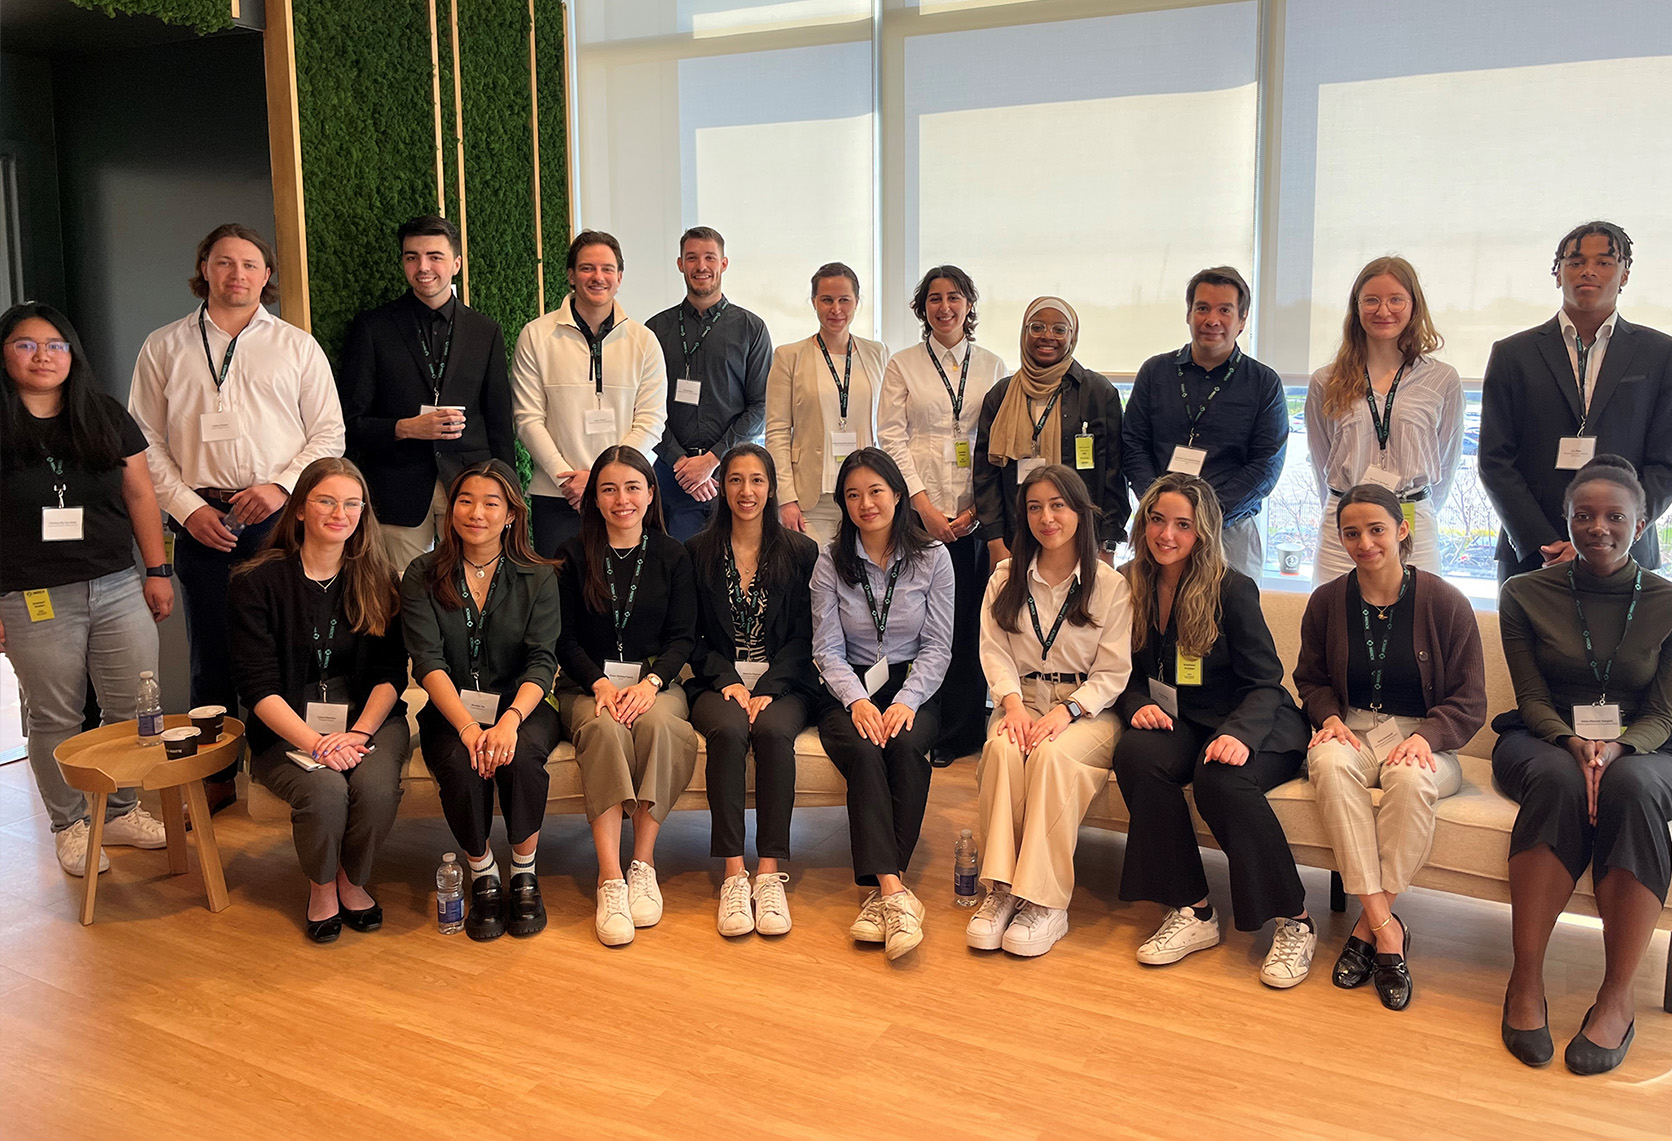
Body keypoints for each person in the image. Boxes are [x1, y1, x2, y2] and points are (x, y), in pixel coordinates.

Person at [128, 222, 346, 813]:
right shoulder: (164, 346)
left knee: (288, 642)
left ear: (267, 275)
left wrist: (280, 488)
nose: (238, 275)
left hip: (279, 519)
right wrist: (188, 508)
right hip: (202, 519)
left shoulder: (297, 346)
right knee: (213, 650)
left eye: (250, 265)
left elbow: (329, 433)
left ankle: (288, 762)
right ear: (205, 270)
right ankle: (217, 777)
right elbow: (142, 440)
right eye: (225, 263)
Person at [1494, 455, 1672, 1075]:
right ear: (1567, 520)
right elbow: (1532, 698)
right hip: (1545, 737)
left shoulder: (1668, 601)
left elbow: (1666, 712)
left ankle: (1617, 996)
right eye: (1584, 515)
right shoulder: (1523, 593)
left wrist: (1618, 746)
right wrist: (1573, 742)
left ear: (1643, 522)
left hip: (1645, 744)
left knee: (1636, 786)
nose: (1598, 526)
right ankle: (1525, 980)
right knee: (1558, 778)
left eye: (1615, 515)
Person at [1112, 472, 1315, 987]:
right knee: (1137, 754)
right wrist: (1136, 704)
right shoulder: (1129, 581)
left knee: (1219, 778)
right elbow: (1124, 672)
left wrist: (1240, 735)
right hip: (1182, 719)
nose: (1166, 535)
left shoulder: (1232, 588)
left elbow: (1267, 681)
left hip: (1253, 722)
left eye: (1183, 524)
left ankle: (1295, 920)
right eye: (1157, 520)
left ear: (1202, 532)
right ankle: (1193, 909)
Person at [1294, 484, 1487, 1009]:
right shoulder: (1328, 600)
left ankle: (1368, 927)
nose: (1365, 543)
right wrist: (1329, 718)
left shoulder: (1445, 602)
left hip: (1427, 736)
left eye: (1377, 529)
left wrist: (1426, 736)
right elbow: (1309, 679)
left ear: (1403, 530)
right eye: (1351, 533)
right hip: (1352, 728)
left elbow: (1470, 702)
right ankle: (1389, 929)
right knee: (1328, 764)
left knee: (1408, 778)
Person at [0, 302, 172, 876]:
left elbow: (141, 496)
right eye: (26, 344)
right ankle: (69, 825)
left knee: (132, 706)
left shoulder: (101, 413)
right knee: (55, 716)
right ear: (5, 353)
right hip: (32, 595)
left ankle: (121, 811)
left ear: (73, 354)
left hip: (118, 583)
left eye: (55, 345)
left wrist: (157, 569)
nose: (43, 356)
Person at [228, 458, 410, 943]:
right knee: (325, 791)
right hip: (287, 721)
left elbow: (391, 675)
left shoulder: (379, 578)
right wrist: (317, 743)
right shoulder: (256, 582)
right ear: (301, 508)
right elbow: (257, 686)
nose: (340, 513)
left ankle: (352, 880)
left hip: (369, 718)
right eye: (326, 500)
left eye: (352, 503)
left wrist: (358, 734)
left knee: (373, 787)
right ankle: (322, 887)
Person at [967, 465, 1132, 957]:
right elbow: (993, 650)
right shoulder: (1005, 577)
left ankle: (1044, 902)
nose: (1047, 517)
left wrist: (1067, 712)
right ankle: (999, 891)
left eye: (1058, 505)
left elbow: (1113, 672)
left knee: (1050, 758)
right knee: (1001, 749)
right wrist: (1011, 705)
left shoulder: (1108, 585)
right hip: (1021, 703)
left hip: (1086, 712)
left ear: (1080, 512)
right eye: (1035, 507)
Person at [401, 461, 562, 942]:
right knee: (457, 758)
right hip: (452, 711)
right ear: (451, 512)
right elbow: (426, 662)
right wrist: (470, 730)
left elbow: (542, 663)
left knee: (522, 757)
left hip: (524, 707)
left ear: (512, 514)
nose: (477, 513)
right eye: (466, 501)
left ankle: (524, 871)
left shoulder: (537, 575)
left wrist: (509, 721)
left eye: (493, 503)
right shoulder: (422, 573)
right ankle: (482, 871)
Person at [811, 447, 955, 960]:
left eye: (875, 491)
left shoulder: (934, 558)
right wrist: (855, 701)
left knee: (907, 741)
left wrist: (909, 699)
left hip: (912, 681)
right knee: (866, 748)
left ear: (897, 493)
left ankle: (879, 896)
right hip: (844, 686)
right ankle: (894, 890)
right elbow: (825, 648)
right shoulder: (830, 559)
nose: (865, 503)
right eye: (853, 495)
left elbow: (939, 647)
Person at [555, 445, 700, 947]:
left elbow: (684, 635)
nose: (622, 499)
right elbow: (564, 639)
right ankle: (610, 878)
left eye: (633, 487)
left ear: (651, 493)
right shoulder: (572, 556)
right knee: (602, 727)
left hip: (656, 683)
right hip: (587, 685)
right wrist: (598, 683)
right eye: (609, 489)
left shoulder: (672, 554)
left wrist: (652, 682)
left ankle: (643, 864)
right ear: (593, 499)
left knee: (660, 724)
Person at [1480, 221, 1672, 583]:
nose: (1588, 271)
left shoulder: (1660, 354)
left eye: (1604, 262)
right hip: (1534, 553)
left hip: (1625, 553)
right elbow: (1494, 460)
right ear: (1557, 273)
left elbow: (1666, 463)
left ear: (1625, 274)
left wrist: (1618, 533)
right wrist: (1547, 541)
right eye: (1576, 261)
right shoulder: (1513, 354)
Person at [685, 444, 820, 937]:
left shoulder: (800, 552)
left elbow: (807, 635)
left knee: (773, 732)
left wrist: (768, 686)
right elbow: (691, 636)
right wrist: (727, 681)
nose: (747, 491)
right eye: (736, 480)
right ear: (722, 486)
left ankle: (768, 873)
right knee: (726, 729)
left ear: (771, 486)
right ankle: (732, 874)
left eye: (757, 480)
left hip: (783, 684)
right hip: (717, 683)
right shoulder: (696, 551)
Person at [878, 265, 1007, 764]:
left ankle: (965, 730)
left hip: (976, 517)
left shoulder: (993, 365)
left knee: (972, 625)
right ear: (922, 307)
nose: (945, 307)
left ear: (969, 305)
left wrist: (977, 508)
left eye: (955, 297)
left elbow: (998, 441)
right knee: (923, 625)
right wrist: (923, 506)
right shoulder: (903, 364)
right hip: (919, 516)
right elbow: (891, 436)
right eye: (935, 298)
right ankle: (921, 723)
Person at [338, 214, 515, 572]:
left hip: (470, 485)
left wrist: (507, 490)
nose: (423, 267)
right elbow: (350, 421)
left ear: (456, 264)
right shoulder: (373, 327)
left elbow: (499, 419)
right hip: (396, 488)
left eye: (434, 256)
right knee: (402, 595)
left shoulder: (486, 330)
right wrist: (404, 428)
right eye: (411, 257)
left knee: (474, 585)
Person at [1304, 257, 1464, 582]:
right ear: (1357, 307)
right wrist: (1347, 506)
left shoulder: (1442, 380)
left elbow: (1447, 460)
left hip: (1412, 522)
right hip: (1344, 522)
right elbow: (1321, 457)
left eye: (1395, 300)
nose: (1383, 310)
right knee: (1336, 624)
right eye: (1372, 300)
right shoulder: (1326, 380)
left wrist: (1414, 504)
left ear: (1413, 305)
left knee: (1417, 625)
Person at [1122, 267, 1287, 580]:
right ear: (1188, 314)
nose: (1212, 320)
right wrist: (1162, 512)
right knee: (1152, 620)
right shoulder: (1155, 372)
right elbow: (1133, 445)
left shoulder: (1263, 383)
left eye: (1225, 310)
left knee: (1230, 623)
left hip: (1230, 531)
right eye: (1202, 308)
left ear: (1242, 320)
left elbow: (1265, 466)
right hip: (1160, 533)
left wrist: (1203, 517)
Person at [512, 231, 668, 556]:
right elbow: (527, 420)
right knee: (561, 598)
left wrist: (606, 481)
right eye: (587, 268)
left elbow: (652, 422)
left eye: (607, 269)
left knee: (627, 597)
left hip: (626, 500)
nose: (598, 277)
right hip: (559, 496)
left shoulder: (644, 341)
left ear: (620, 277)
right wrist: (568, 480)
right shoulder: (536, 336)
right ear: (571, 275)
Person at [974, 297, 1126, 566]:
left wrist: (1107, 544)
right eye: (1037, 327)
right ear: (1024, 332)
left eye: (1059, 329)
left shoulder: (1097, 392)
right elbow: (986, 476)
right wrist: (995, 542)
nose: (1047, 336)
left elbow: (1114, 474)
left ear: (1073, 336)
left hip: (1083, 538)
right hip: (1016, 537)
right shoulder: (1001, 394)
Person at [645, 226, 772, 541]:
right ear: (680, 264)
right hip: (671, 477)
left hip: (731, 475)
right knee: (678, 574)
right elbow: (646, 407)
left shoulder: (751, 329)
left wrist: (713, 459)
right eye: (692, 258)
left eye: (709, 258)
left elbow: (761, 405)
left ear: (724, 263)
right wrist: (681, 463)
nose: (701, 266)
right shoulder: (654, 330)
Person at [764, 263, 888, 547]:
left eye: (845, 300)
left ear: (857, 302)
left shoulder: (877, 353)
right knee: (815, 582)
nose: (836, 309)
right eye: (827, 300)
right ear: (814, 302)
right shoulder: (789, 356)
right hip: (810, 500)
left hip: (864, 495)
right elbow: (777, 432)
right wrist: (786, 499)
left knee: (859, 580)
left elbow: (887, 424)